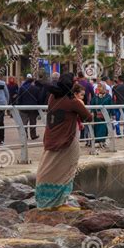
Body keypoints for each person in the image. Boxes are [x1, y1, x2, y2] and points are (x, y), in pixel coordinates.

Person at [35, 73, 92, 211]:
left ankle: (45, 201)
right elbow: (88, 117)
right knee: (66, 170)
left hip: (51, 138)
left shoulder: (52, 97)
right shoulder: (72, 102)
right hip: (67, 140)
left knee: (47, 168)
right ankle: (59, 202)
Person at [17, 74, 41, 140]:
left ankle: (24, 135)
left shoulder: (22, 88)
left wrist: (18, 106)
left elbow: (19, 98)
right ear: (32, 82)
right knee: (33, 122)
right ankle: (33, 135)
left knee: (24, 122)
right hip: (33, 108)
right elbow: (39, 99)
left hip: (23, 108)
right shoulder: (36, 88)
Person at [90, 83, 113, 147]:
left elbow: (111, 106)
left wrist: (112, 114)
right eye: (98, 87)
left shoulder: (108, 97)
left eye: (100, 87)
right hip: (97, 116)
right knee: (97, 128)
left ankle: (103, 141)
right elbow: (92, 104)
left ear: (104, 88)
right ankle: (97, 141)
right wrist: (92, 112)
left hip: (105, 116)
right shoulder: (95, 96)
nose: (98, 88)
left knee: (104, 128)